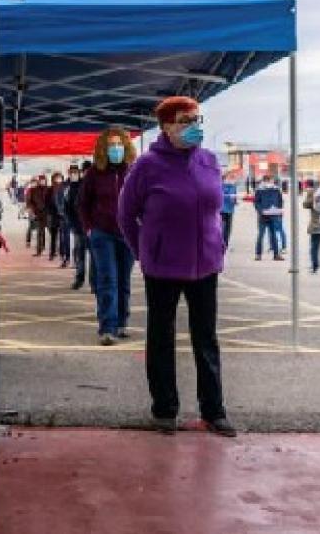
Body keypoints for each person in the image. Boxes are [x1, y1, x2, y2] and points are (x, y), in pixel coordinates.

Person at [118, 97, 236, 438]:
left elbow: (217, 209)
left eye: (197, 119)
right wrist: (144, 250)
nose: (194, 125)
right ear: (167, 125)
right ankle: (164, 409)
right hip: (163, 267)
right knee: (161, 338)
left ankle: (214, 410)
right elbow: (127, 215)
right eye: (185, 120)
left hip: (206, 266)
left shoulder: (209, 161)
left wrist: (218, 242)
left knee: (206, 338)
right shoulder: (146, 166)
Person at [79, 128, 137, 344]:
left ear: (126, 147)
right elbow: (82, 203)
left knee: (123, 280)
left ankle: (122, 322)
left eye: (119, 145)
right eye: (111, 145)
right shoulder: (94, 173)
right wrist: (89, 228)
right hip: (102, 234)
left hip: (128, 234)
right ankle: (107, 327)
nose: (115, 149)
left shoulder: (134, 171)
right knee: (107, 279)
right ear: (104, 148)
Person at [253, 175, 287, 261]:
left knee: (273, 235)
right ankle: (258, 254)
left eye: (269, 181)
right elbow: (256, 203)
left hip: (273, 215)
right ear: (264, 181)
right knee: (261, 235)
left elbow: (280, 201)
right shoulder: (260, 190)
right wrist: (261, 211)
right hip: (263, 216)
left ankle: (275, 254)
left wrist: (279, 211)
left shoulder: (276, 189)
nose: (268, 183)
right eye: (267, 181)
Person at [58, 164, 81, 271]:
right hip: (65, 217)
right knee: (66, 239)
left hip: (78, 218)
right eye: (72, 172)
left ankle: (76, 261)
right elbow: (58, 199)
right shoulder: (64, 185)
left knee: (77, 242)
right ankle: (66, 258)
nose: (74, 174)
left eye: (76, 172)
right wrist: (62, 212)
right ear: (69, 173)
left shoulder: (82, 184)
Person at [26, 174, 52, 257]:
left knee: (52, 233)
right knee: (40, 233)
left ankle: (54, 250)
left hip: (48, 214)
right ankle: (39, 251)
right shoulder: (33, 190)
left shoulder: (49, 189)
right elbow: (29, 202)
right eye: (41, 180)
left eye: (43, 180)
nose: (42, 181)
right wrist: (33, 210)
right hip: (38, 214)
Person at [302, 180, 320, 274]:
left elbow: (306, 204)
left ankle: (315, 265)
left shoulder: (312, 192)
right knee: (315, 246)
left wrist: (311, 196)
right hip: (319, 224)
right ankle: (315, 265)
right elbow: (306, 205)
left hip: (318, 223)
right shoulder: (314, 193)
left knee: (314, 246)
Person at [46, 172, 65, 262]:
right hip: (53, 216)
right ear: (53, 179)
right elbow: (47, 202)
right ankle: (52, 253)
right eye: (56, 178)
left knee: (62, 236)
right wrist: (50, 212)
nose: (58, 180)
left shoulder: (64, 188)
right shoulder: (50, 190)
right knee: (53, 236)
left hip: (62, 216)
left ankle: (62, 253)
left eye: (60, 178)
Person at [220, 170, 240, 251]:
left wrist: (235, 201)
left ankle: (225, 245)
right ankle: (220, 244)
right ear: (225, 177)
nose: (233, 178)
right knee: (222, 228)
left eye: (233, 177)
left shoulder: (233, 186)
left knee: (228, 229)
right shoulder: (220, 186)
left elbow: (234, 198)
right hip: (221, 210)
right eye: (231, 177)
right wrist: (229, 196)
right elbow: (220, 196)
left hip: (230, 210)